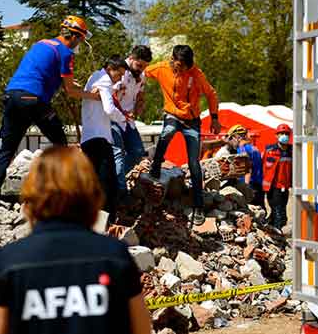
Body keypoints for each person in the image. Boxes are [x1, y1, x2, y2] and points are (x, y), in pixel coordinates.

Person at [0, 146, 152, 334]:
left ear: (33, 193)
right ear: (90, 192)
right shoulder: (115, 257)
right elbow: (141, 329)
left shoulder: (10, 262)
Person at [0, 16, 100, 202]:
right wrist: (93, 96)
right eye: (80, 39)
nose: (80, 44)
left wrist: (65, 82)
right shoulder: (66, 53)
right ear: (75, 37)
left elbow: (41, 70)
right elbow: (71, 91)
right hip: (33, 99)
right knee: (61, 144)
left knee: (7, 147)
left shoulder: (42, 44)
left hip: (12, 96)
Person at [144, 44, 221, 226]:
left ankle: (198, 205)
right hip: (171, 114)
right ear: (172, 60)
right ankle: (156, 164)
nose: (180, 69)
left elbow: (211, 94)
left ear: (189, 64)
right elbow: (140, 71)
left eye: (184, 67)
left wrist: (215, 118)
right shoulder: (162, 68)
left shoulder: (196, 74)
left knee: (194, 163)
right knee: (168, 131)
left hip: (191, 120)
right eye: (177, 65)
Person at [81, 55, 129, 223]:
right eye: (119, 74)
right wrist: (123, 118)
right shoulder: (104, 80)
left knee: (93, 180)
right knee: (108, 183)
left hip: (88, 137)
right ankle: (106, 222)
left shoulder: (95, 77)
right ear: (110, 69)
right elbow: (109, 109)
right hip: (99, 138)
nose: (120, 78)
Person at [111, 45, 153, 200]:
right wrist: (122, 113)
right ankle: (120, 191)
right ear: (131, 58)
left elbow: (141, 94)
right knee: (118, 153)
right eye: (139, 65)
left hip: (129, 122)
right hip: (114, 119)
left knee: (137, 152)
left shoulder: (141, 75)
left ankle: (114, 177)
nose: (141, 69)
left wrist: (138, 108)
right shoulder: (120, 72)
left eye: (144, 67)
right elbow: (112, 96)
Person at [215, 125, 264, 207]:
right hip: (224, 188)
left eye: (242, 137)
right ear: (231, 138)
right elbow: (220, 176)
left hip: (235, 184)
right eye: (238, 137)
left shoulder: (235, 151)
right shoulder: (223, 153)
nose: (240, 140)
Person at [262, 123, 293, 230]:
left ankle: (274, 230)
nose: (284, 135)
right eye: (282, 133)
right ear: (277, 135)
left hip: (285, 187)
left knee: (280, 210)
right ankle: (277, 231)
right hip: (273, 187)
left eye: (286, 133)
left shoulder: (292, 151)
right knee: (278, 212)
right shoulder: (270, 150)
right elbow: (263, 167)